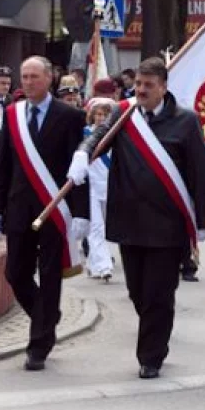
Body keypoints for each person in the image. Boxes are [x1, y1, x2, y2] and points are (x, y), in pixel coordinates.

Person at [68, 57, 205, 380]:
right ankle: (156, 328)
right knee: (137, 291)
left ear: (163, 87)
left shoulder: (185, 121)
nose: (142, 90)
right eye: (138, 85)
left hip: (168, 225)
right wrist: (82, 152)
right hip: (130, 220)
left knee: (158, 293)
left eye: (149, 85)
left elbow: (199, 172)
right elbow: (98, 136)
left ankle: (151, 356)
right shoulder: (125, 113)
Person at [0, 56, 91, 371]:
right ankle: (49, 317)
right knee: (15, 273)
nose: (28, 82)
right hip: (19, 209)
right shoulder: (12, 115)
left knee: (49, 278)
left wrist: (81, 213)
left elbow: (80, 170)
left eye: (34, 76)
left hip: (54, 210)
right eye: (24, 76)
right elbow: (3, 165)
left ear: (49, 79)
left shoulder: (71, 117)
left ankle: (38, 345)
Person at [84, 98, 116, 281]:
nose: (101, 118)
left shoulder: (113, 135)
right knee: (96, 227)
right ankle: (104, 267)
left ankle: (92, 263)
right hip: (91, 188)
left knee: (104, 227)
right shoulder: (85, 134)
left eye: (104, 115)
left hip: (109, 187)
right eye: (98, 114)